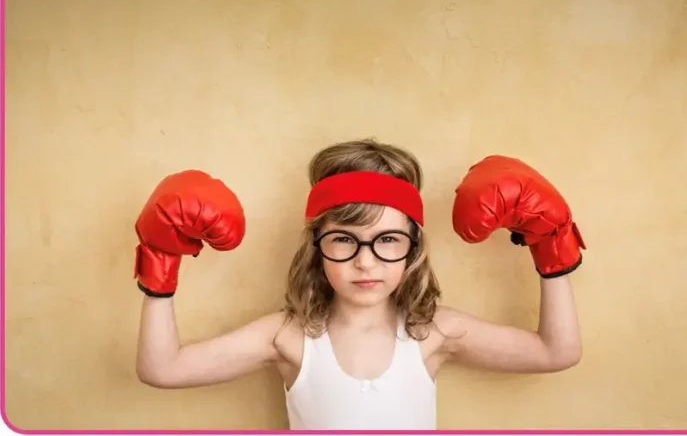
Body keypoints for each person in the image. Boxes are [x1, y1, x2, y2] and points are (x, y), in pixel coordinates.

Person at [133, 139, 586, 430]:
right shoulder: (288, 336)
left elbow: (556, 351)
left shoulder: (432, 333)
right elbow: (163, 369)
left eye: (387, 240)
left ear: (412, 247)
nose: (365, 262)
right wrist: (161, 264)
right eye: (344, 241)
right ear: (317, 245)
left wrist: (552, 248)